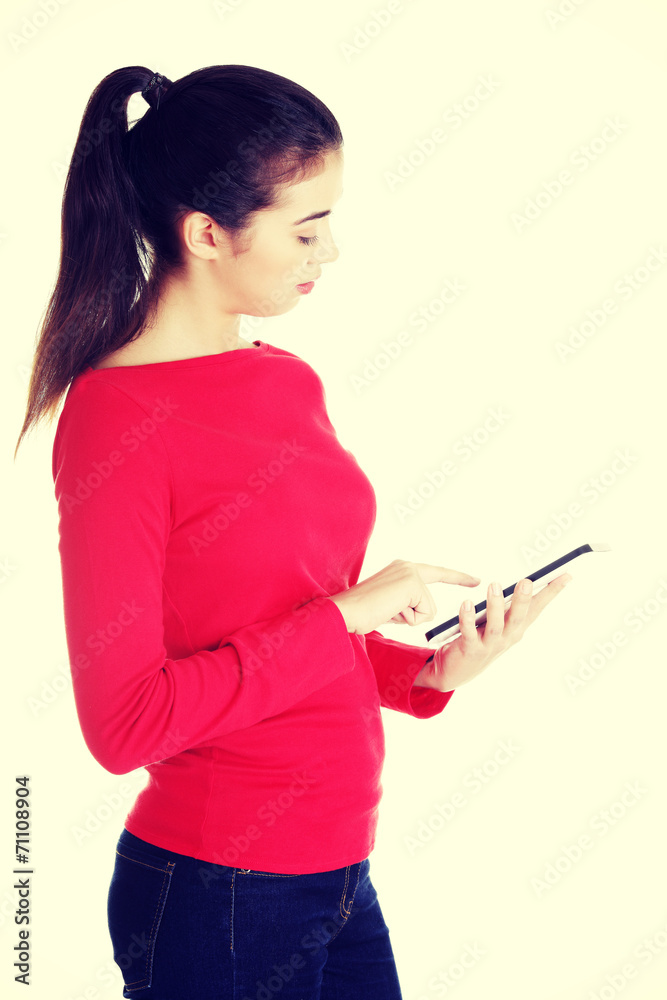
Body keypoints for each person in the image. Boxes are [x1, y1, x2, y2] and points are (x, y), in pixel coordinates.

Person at [15, 64, 570, 999]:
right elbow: (125, 725)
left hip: (338, 872)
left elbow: (284, 622)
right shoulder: (117, 421)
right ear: (205, 234)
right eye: (305, 228)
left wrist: (420, 671)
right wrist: (351, 613)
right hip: (215, 892)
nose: (330, 252)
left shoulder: (284, 381)